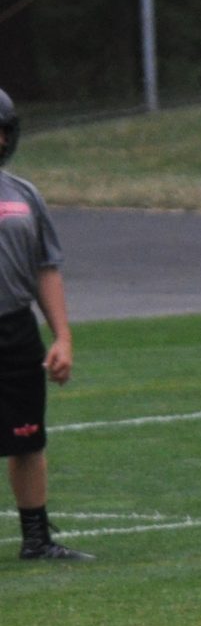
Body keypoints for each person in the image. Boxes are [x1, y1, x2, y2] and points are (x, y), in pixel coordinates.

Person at [0, 87, 83, 562]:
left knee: (28, 437)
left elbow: (46, 268)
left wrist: (63, 336)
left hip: (14, 329)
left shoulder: (23, 195)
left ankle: (37, 540)